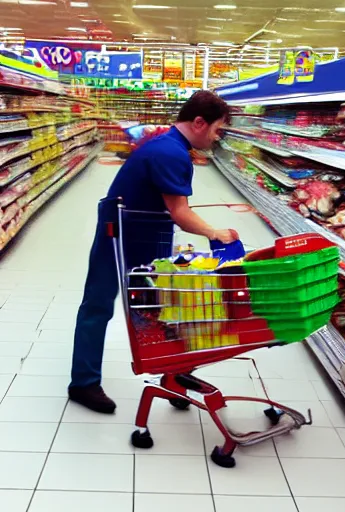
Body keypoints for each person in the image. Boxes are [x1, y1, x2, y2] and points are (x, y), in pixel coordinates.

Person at [69, 90, 238, 414]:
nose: (218, 139)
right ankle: (83, 383)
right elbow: (180, 212)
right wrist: (214, 232)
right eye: (218, 130)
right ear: (200, 122)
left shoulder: (172, 146)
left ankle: (174, 375)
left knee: (165, 304)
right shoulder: (169, 152)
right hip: (118, 232)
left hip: (146, 230)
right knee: (99, 303)